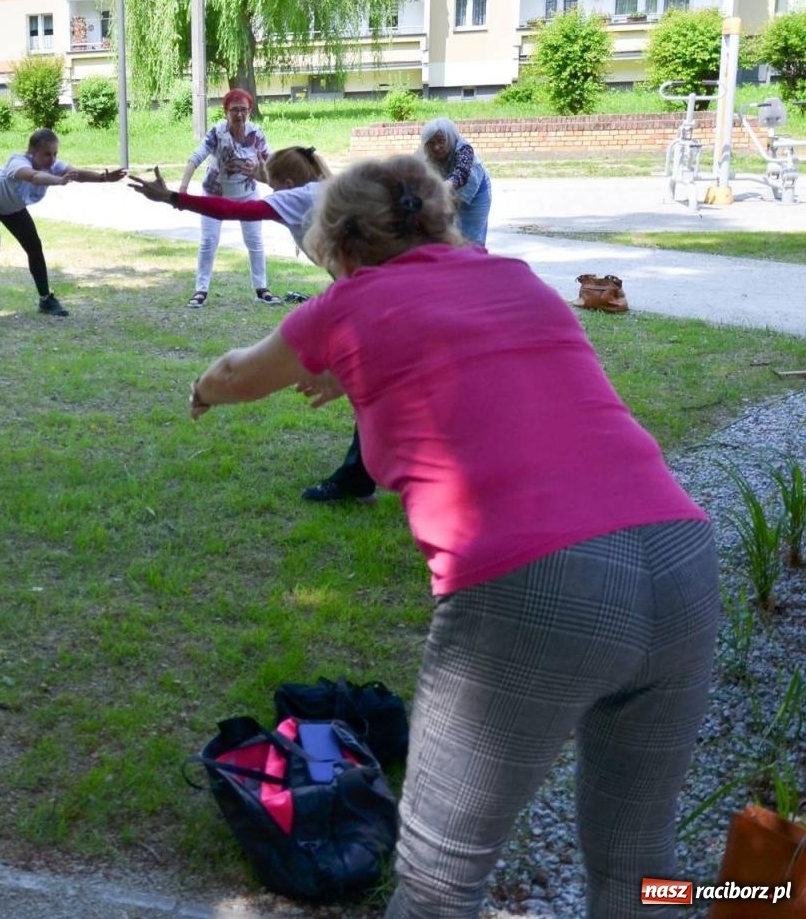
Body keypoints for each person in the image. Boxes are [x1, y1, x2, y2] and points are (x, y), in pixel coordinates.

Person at [185, 154, 717, 918]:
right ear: (437, 218)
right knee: (643, 867)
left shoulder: (345, 305)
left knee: (439, 881)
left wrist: (201, 389)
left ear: (337, 249)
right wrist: (349, 366)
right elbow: (468, 346)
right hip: (682, 559)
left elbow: (239, 373)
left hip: (533, 584)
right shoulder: (516, 277)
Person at [130, 146, 376, 502]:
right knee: (374, 381)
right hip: (377, 289)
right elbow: (278, 180)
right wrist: (258, 170)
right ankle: (364, 474)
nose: (273, 196)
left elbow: (236, 210)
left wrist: (172, 197)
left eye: (275, 187)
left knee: (366, 383)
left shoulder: (298, 197)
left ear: (288, 184)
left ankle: (359, 478)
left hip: (369, 294)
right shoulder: (325, 187)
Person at [0, 128, 125, 325]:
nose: (51, 159)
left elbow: (76, 174)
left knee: (34, 247)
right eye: (46, 154)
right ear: (32, 151)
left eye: (55, 154)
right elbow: (34, 177)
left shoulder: (53, 165)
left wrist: (103, 178)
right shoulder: (18, 162)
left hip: (13, 208)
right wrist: (59, 181)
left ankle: (45, 300)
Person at [177, 89, 278, 308]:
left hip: (247, 194)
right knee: (208, 242)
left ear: (250, 111)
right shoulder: (217, 132)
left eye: (243, 110)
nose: (239, 115)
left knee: (255, 242)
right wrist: (183, 189)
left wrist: (261, 170)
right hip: (215, 194)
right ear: (225, 112)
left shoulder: (256, 134)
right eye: (234, 110)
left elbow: (271, 162)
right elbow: (195, 158)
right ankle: (200, 290)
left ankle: (262, 289)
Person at [420, 117, 491, 246]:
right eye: (431, 143)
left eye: (441, 141)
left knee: (472, 238)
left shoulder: (464, 149)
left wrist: (442, 188)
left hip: (475, 193)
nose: (436, 147)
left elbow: (461, 174)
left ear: (450, 138)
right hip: (446, 193)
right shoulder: (422, 153)